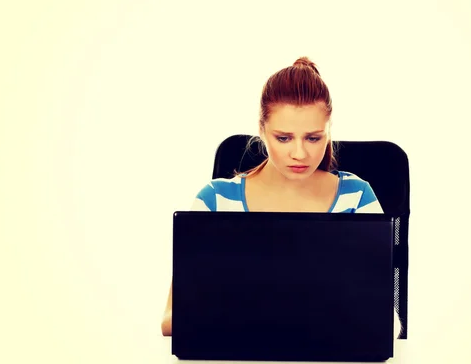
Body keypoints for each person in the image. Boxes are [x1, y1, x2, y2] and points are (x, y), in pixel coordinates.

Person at [161, 57, 403, 338]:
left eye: (313, 138)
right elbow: (170, 320)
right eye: (284, 138)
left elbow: (387, 323)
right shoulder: (214, 201)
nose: (299, 154)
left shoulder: (357, 197)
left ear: (328, 133)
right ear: (262, 131)